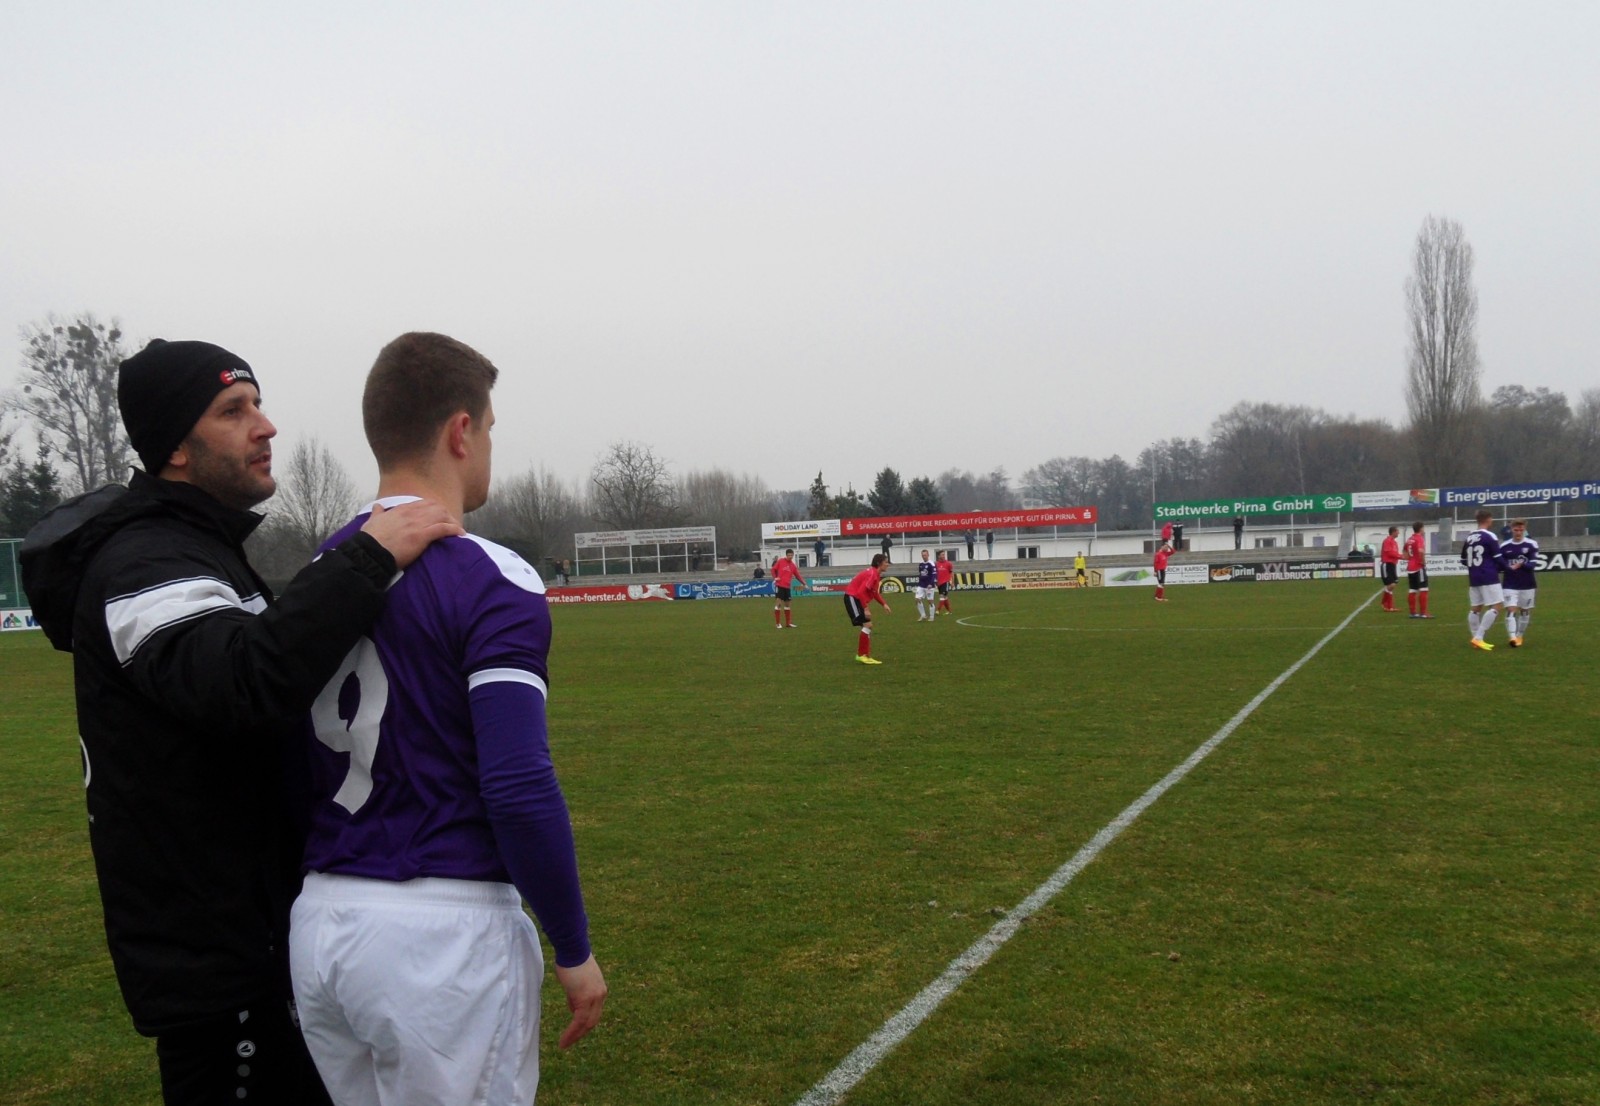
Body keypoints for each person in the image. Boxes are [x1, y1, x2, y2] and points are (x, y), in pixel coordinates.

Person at [19, 339, 460, 1106]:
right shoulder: (143, 562)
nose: (266, 426)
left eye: (257, 402)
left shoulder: (196, 549)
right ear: (175, 450)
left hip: (262, 949)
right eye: (233, 411)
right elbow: (241, 682)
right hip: (219, 972)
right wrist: (365, 562)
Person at [289, 332, 606, 1105]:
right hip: (439, 935)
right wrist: (573, 944)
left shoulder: (318, 573)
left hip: (323, 919)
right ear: (460, 431)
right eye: (490, 428)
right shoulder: (492, 576)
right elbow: (518, 779)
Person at [1460, 508, 1508, 651]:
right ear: (1488, 519)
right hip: (1488, 576)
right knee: (1497, 605)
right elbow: (1498, 558)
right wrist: (1509, 568)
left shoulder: (1469, 537)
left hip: (1474, 576)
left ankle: (1475, 638)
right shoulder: (1489, 536)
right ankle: (1478, 637)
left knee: (1475, 608)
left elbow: (1463, 560)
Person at [844, 553, 892, 664]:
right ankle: (862, 655)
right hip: (852, 597)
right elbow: (860, 592)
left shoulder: (875, 574)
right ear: (879, 563)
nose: (888, 564)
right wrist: (865, 608)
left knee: (868, 626)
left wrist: (884, 604)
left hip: (856, 598)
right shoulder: (872, 574)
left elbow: (874, 593)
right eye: (886, 562)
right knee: (867, 625)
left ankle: (864, 655)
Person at [1499, 518, 1539, 647]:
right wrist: (1507, 567)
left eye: (1521, 530)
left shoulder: (1532, 544)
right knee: (1511, 610)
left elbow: (1533, 564)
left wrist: (1522, 564)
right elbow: (1500, 565)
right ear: (1511, 530)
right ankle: (1512, 637)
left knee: (1525, 611)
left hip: (1527, 584)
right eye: (1516, 530)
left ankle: (1520, 635)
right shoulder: (1504, 546)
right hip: (1510, 584)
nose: (1518, 532)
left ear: (1524, 529)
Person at [770, 547, 807, 628]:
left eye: (791, 555)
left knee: (787, 605)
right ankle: (778, 623)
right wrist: (775, 577)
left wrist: (804, 583)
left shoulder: (793, 566)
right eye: (789, 555)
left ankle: (788, 623)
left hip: (787, 587)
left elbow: (797, 576)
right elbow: (773, 570)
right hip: (780, 586)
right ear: (786, 555)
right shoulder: (780, 561)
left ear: (793, 555)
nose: (790, 556)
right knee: (778, 604)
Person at [1403, 521, 1432, 619]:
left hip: (1410, 568)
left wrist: (1411, 559)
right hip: (1418, 567)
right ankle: (1423, 613)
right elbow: (1420, 552)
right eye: (1423, 528)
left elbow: (1405, 554)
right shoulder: (1419, 538)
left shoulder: (1409, 539)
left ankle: (1413, 613)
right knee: (1424, 589)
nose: (1424, 530)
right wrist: (1423, 562)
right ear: (1420, 528)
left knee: (1412, 590)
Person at [1379, 525, 1402, 611]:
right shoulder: (1387, 541)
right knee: (1390, 585)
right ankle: (1385, 604)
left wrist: (1399, 556)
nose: (1398, 533)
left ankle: (1390, 607)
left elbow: (1394, 553)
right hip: (1387, 564)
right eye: (1397, 531)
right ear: (1393, 532)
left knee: (1393, 584)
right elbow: (1389, 553)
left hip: (1392, 565)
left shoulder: (1394, 542)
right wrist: (1401, 556)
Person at [914, 548, 937, 621]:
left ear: (928, 555)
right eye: (923, 555)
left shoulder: (931, 563)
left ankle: (931, 617)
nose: (924, 556)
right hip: (921, 585)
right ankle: (923, 615)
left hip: (929, 585)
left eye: (925, 555)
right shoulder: (920, 564)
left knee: (930, 601)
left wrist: (931, 583)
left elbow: (934, 575)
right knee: (917, 599)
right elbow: (920, 573)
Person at [934, 550, 954, 614]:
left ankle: (938, 610)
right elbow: (935, 574)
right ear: (938, 556)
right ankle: (949, 611)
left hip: (946, 582)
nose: (943, 556)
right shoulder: (936, 564)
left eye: (944, 554)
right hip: (939, 583)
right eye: (942, 555)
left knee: (942, 596)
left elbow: (951, 573)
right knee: (945, 597)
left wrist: (952, 582)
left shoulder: (948, 564)